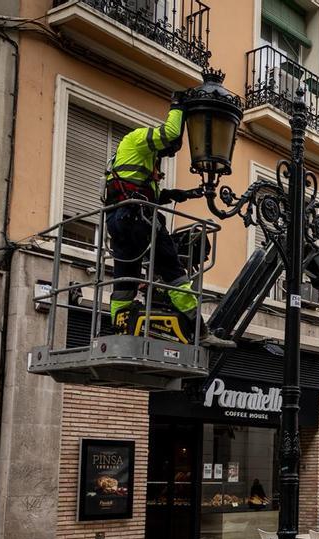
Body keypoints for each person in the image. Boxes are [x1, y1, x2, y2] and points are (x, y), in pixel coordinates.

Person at [104, 89, 229, 346]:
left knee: (125, 276)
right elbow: (171, 133)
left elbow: (152, 193)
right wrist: (177, 105)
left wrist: (183, 194)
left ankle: (120, 327)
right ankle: (199, 331)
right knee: (174, 273)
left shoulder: (131, 160)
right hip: (139, 218)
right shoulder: (137, 139)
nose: (168, 153)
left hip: (119, 220)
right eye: (169, 150)